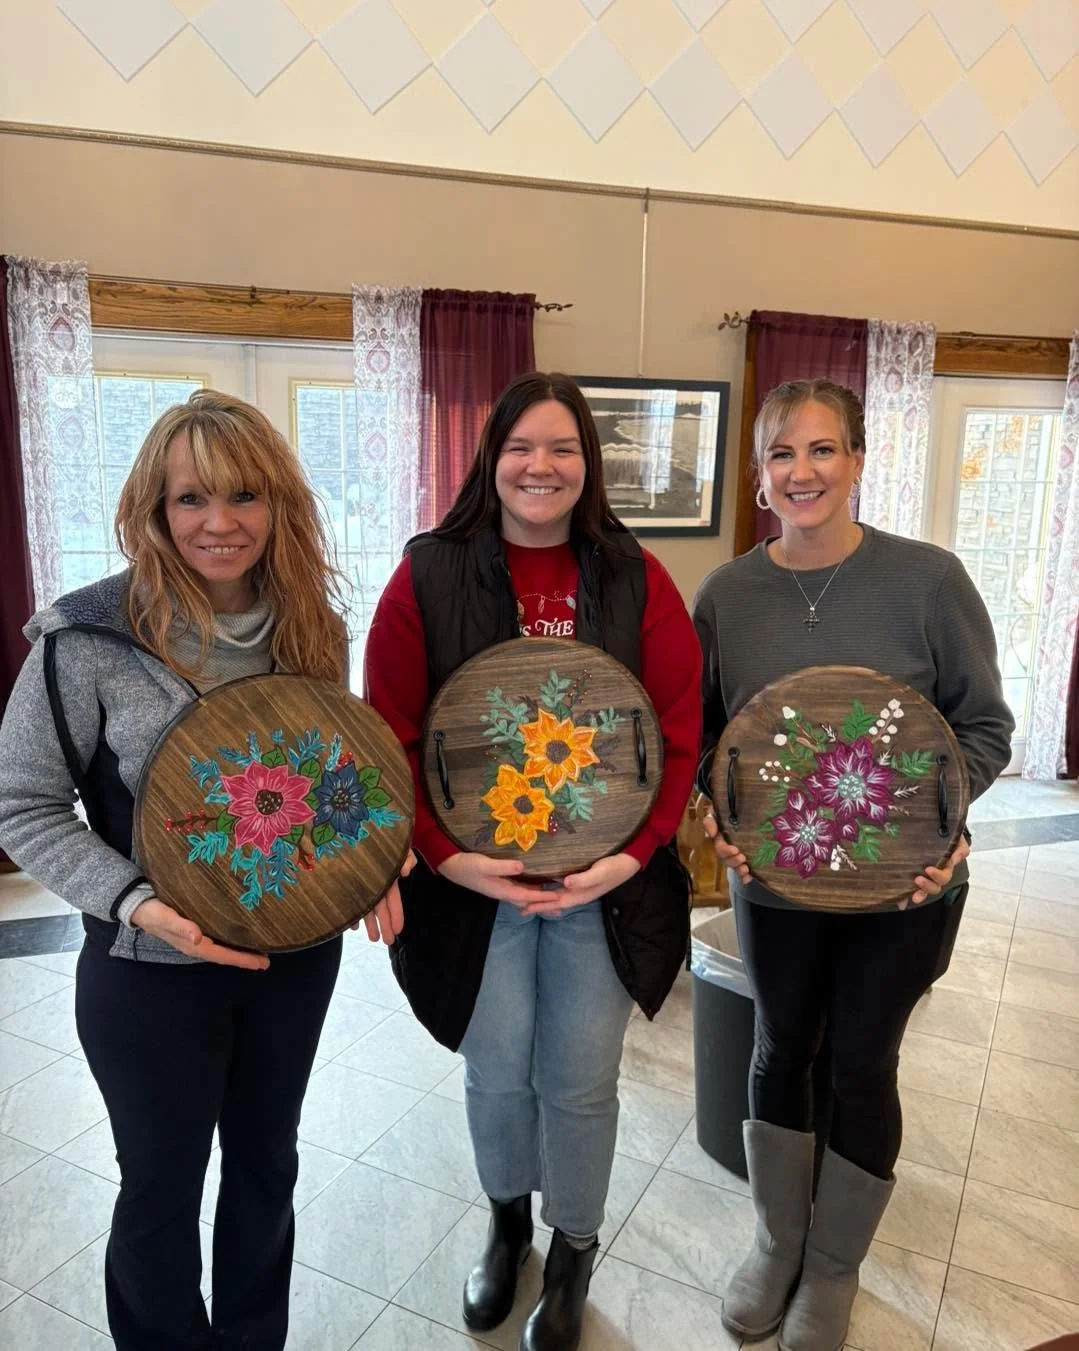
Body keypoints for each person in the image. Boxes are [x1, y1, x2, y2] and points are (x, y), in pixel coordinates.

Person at [0, 390, 408, 1351]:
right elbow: (22, 807)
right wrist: (137, 906)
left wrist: (369, 859)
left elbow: (333, 772)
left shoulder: (311, 626)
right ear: (152, 509)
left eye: (243, 495)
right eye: (190, 499)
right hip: (149, 978)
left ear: (279, 506)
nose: (219, 522)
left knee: (268, 1167)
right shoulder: (84, 642)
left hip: (292, 962)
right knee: (160, 1186)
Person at [363, 371, 701, 1351]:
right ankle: (508, 1222)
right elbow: (390, 730)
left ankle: (574, 1246)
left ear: (586, 464)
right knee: (495, 1070)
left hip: (600, 889)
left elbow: (675, 732)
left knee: (581, 1078)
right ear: (490, 459)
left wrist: (631, 856)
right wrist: (439, 854)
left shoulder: (634, 577)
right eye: (519, 447)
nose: (539, 466)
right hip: (472, 889)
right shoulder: (428, 571)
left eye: (561, 447)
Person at [693, 379, 1013, 1351]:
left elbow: (982, 727)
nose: (803, 472)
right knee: (780, 1050)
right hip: (775, 883)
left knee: (863, 1067)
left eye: (822, 450)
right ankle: (775, 1243)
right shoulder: (728, 594)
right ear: (759, 477)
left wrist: (943, 829)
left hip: (905, 886)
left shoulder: (927, 581)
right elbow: (709, 737)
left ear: (860, 461)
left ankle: (831, 1271)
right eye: (782, 455)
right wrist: (714, 809)